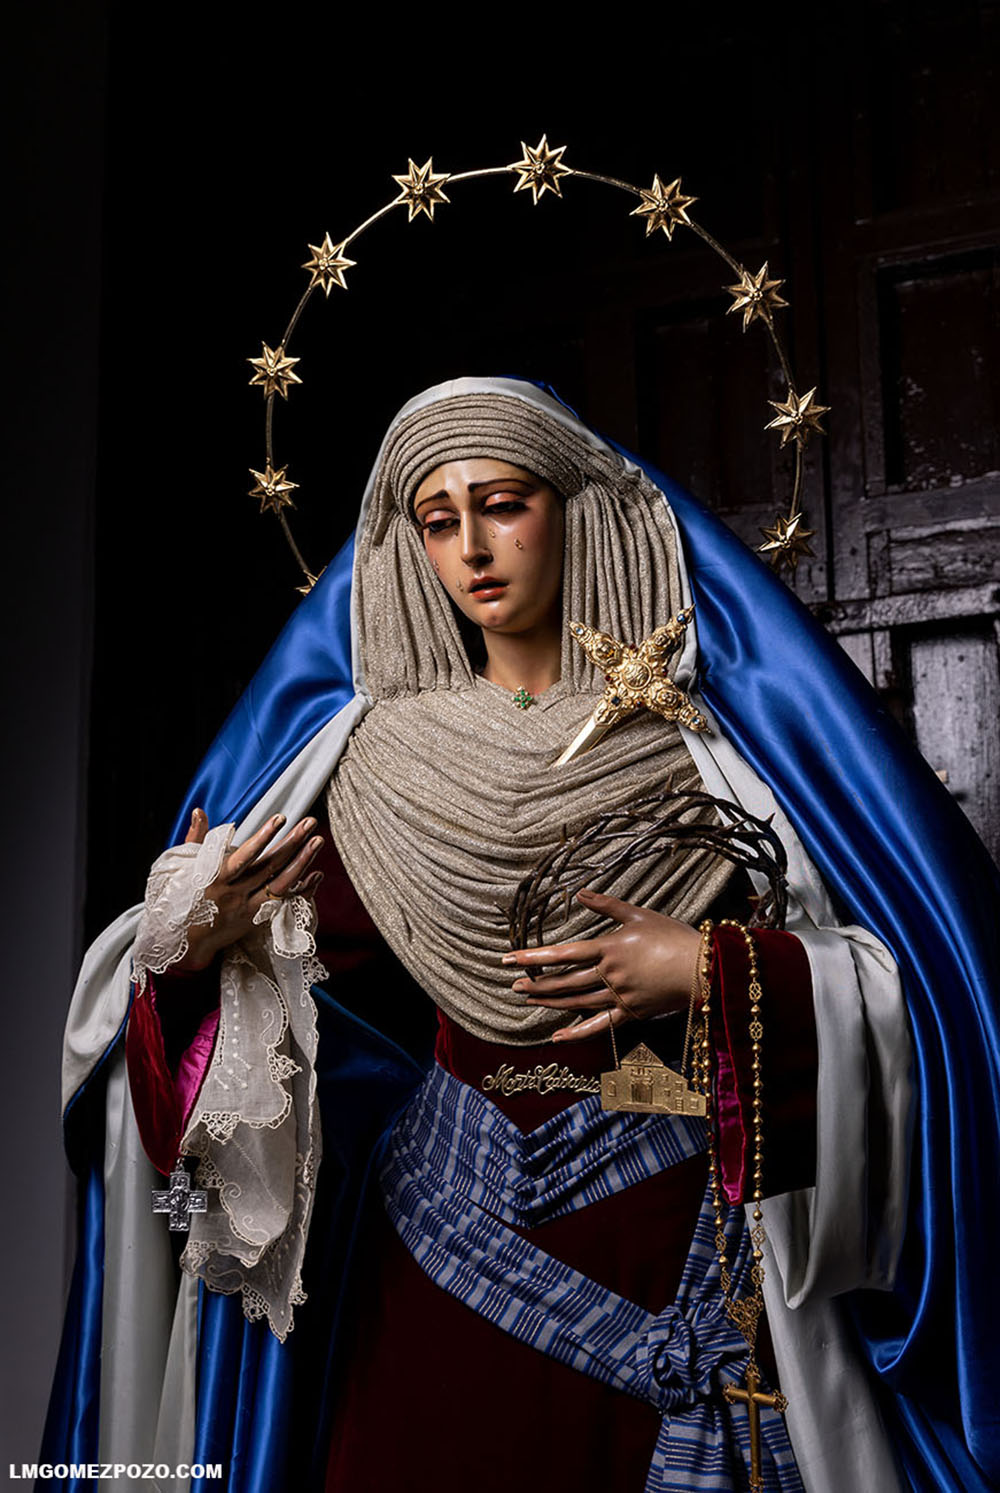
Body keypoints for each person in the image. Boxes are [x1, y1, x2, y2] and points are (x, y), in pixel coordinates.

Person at [43, 377, 1000, 1493]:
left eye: (502, 504)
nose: (472, 549)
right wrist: (191, 952)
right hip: (437, 1251)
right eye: (437, 520)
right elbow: (252, 1036)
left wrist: (708, 970)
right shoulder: (370, 766)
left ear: (576, 509)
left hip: (675, 1236)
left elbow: (927, 994)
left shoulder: (714, 747)